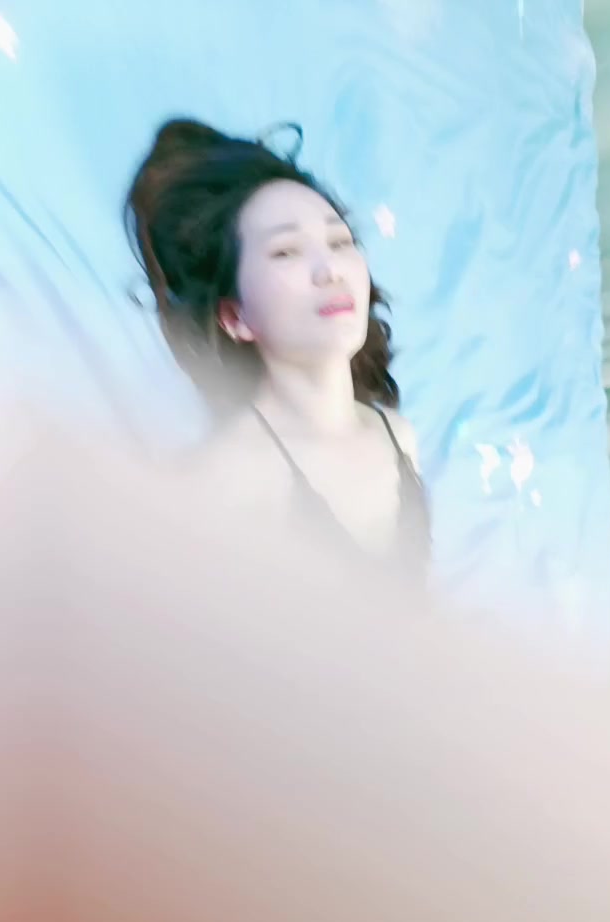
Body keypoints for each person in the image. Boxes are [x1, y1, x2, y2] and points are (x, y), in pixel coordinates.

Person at [125, 118, 430, 584]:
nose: (329, 270)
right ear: (234, 316)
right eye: (286, 252)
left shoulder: (398, 436)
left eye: (340, 241)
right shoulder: (223, 482)